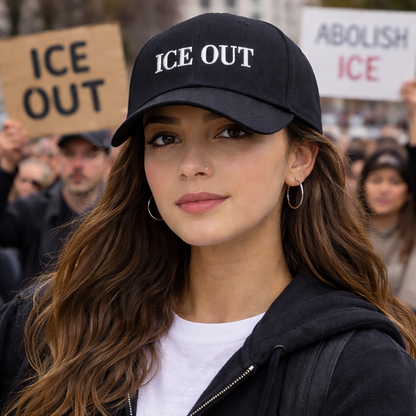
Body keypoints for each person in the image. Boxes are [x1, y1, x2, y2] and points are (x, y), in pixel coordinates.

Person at [1, 13, 416, 416]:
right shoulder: (48, 325)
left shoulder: (364, 367)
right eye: (165, 138)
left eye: (232, 131)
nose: (191, 164)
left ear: (300, 158)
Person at [0, 124, 111, 281]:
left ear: (108, 162)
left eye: (89, 154)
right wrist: (6, 166)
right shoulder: (33, 209)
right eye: (70, 154)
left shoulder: (119, 214)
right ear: (58, 159)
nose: (78, 164)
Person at [357, 147, 416, 312]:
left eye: (394, 181)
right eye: (376, 180)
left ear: (409, 191)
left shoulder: (412, 236)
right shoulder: (346, 232)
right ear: (363, 186)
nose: (384, 189)